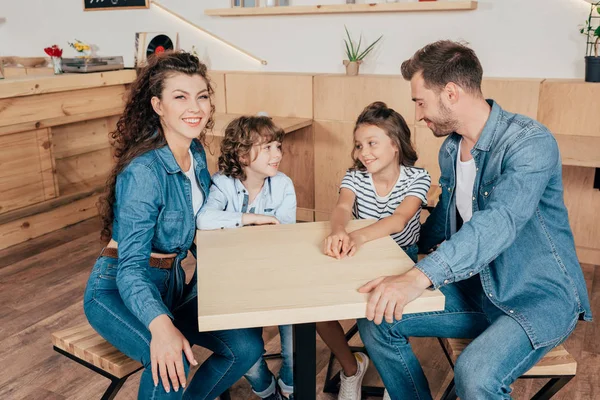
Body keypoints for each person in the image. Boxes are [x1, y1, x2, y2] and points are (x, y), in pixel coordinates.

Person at [356, 40, 592, 400]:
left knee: (476, 374)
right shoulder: (451, 148)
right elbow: (443, 220)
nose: (417, 114)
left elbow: (500, 221)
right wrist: (388, 251)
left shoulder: (530, 142)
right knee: (377, 318)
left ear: (450, 93)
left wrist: (418, 277)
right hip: (476, 288)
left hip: (536, 297)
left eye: (420, 101)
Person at [83, 51, 264, 400]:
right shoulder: (143, 172)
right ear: (158, 105)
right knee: (171, 359)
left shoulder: (195, 154)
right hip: (118, 290)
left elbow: (202, 226)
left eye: (202, 96)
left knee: (246, 347)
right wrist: (160, 325)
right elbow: (131, 269)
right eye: (180, 97)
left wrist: (244, 242)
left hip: (171, 286)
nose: (194, 107)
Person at [320, 101, 431, 400]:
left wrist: (359, 237)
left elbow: (399, 220)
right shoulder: (354, 176)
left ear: (395, 145)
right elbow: (343, 206)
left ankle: (393, 382)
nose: (363, 152)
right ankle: (351, 368)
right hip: (362, 255)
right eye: (358, 145)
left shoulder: (418, 177)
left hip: (401, 256)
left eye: (372, 143)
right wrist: (339, 230)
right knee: (316, 308)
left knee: (383, 314)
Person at [197, 115, 297, 400]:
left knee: (295, 343)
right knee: (247, 352)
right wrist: (250, 219)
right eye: (267, 148)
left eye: (278, 146)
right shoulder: (222, 184)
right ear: (242, 154)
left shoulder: (283, 185)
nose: (277, 154)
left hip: (276, 276)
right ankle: (266, 390)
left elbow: (283, 235)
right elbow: (204, 219)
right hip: (235, 283)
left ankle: (289, 388)